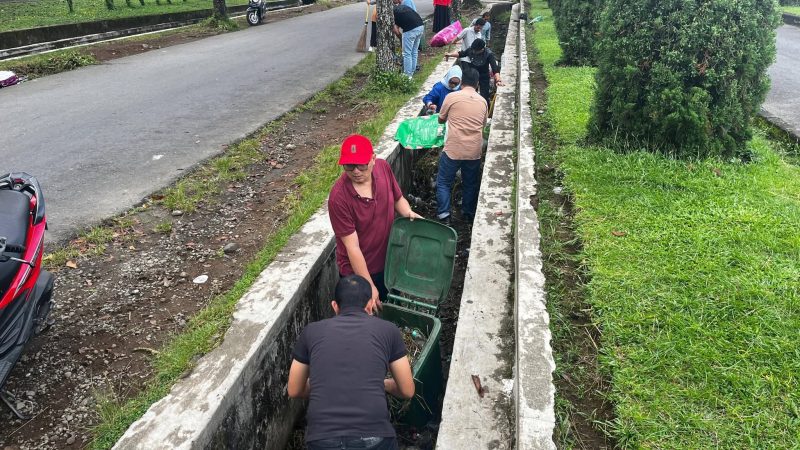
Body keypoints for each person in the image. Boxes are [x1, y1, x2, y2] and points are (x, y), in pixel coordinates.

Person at [288, 275, 415, 450]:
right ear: (370, 305)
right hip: (374, 438)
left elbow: (294, 389)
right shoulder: (389, 331)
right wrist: (383, 384)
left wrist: (323, 384)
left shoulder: (311, 332)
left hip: (322, 439)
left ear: (335, 306)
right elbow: (407, 390)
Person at [328, 134, 421, 307]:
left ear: (373, 159)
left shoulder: (383, 168)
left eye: (361, 165)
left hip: (388, 261)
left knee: (391, 308)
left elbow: (397, 199)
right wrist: (368, 285)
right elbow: (352, 247)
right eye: (349, 166)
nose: (356, 171)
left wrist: (408, 212)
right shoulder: (338, 198)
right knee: (365, 315)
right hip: (357, 272)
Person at [435, 67, 487, 224]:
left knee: (444, 182)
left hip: (453, 149)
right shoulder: (483, 101)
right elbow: (483, 125)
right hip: (473, 151)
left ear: (461, 82)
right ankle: (468, 214)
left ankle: (444, 215)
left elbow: (441, 120)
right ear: (477, 84)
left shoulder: (451, 97)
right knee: (470, 183)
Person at [445, 38, 502, 103]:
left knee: (484, 95)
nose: (474, 52)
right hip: (473, 75)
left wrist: (498, 80)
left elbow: (495, 68)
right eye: (473, 50)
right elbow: (461, 54)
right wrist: (450, 54)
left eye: (476, 51)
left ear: (482, 49)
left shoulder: (489, 54)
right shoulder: (471, 50)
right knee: (470, 94)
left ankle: (485, 106)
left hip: (484, 75)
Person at [392, 0, 425, 78]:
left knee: (407, 53)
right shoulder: (403, 7)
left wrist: (400, 38)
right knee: (414, 51)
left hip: (410, 30)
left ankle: (407, 75)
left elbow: (395, 30)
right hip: (420, 26)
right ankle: (412, 72)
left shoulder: (393, 13)